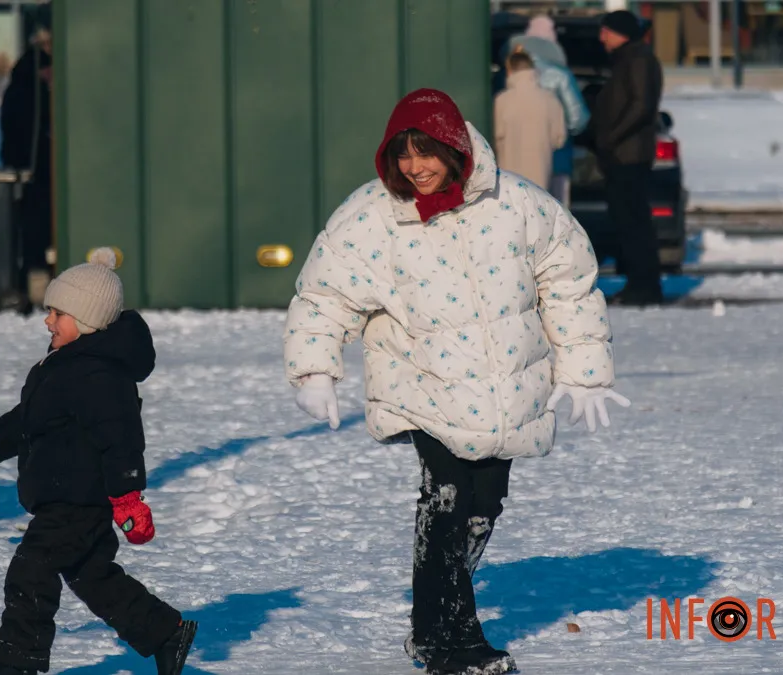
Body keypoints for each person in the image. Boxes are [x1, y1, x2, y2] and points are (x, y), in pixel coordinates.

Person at [283, 88, 630, 675]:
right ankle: (453, 643)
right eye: (402, 154)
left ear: (453, 147)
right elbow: (325, 293)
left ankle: (428, 625)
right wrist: (316, 367)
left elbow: (569, 281)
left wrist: (586, 371)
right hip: (422, 383)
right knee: (446, 501)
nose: (415, 167)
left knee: (483, 506)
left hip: (505, 392)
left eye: (426, 152)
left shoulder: (517, 203)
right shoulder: (370, 217)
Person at [0, 251, 197, 675]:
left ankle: (16, 663)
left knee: (32, 567)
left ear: (88, 320)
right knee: (92, 577)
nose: (48, 321)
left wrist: (128, 497)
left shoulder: (100, 374)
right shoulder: (65, 365)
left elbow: (121, 438)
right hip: (65, 494)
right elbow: (32, 418)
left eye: (58, 313)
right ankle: (165, 632)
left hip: (78, 499)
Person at [586, 10, 665, 306]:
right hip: (620, 156)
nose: (601, 37)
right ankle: (638, 283)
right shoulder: (626, 60)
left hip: (629, 156)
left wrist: (611, 136)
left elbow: (641, 105)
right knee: (626, 222)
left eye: (605, 31)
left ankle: (645, 286)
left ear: (620, 33)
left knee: (634, 223)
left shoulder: (639, 60)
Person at [0, 5, 54, 314]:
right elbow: (17, 123)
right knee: (33, 229)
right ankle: (34, 286)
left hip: (42, 164)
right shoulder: (27, 79)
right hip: (34, 167)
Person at [509, 16, 591, 206]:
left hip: (512, 163)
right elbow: (578, 120)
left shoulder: (507, 75)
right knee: (556, 217)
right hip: (556, 160)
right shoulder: (560, 75)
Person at [493, 49, 566, 190]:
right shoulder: (550, 99)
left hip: (509, 178)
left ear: (509, 70)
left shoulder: (502, 100)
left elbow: (496, 136)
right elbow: (559, 139)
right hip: (541, 176)